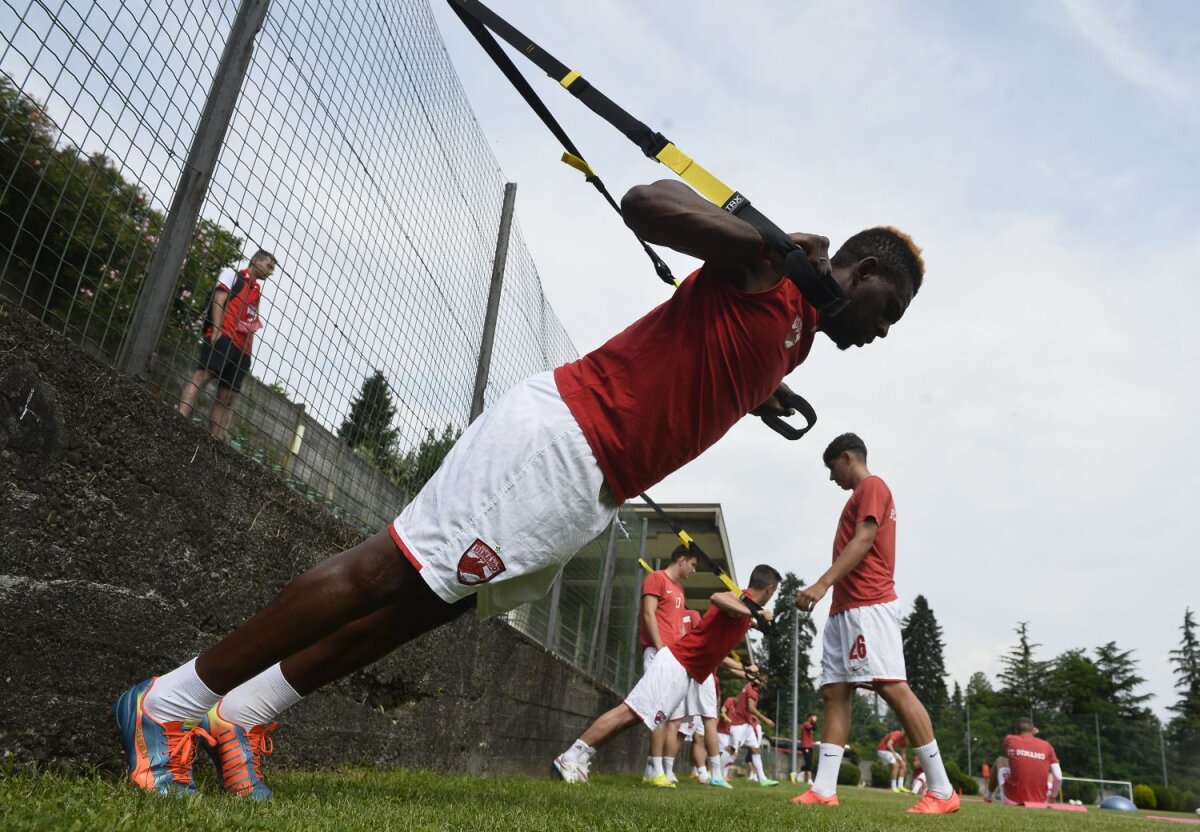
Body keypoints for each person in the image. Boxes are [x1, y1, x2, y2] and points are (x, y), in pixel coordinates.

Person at [112, 179, 924, 798]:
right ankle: (166, 700)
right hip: (561, 438)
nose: (881, 332)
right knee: (387, 570)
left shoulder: (797, 339)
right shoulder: (769, 266)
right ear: (864, 270)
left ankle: (241, 718)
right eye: (887, 310)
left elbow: (711, 358)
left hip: (589, 489)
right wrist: (763, 243)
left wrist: (761, 390)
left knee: (420, 608)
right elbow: (650, 201)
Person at [792, 433, 959, 814]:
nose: (831, 478)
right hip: (844, 609)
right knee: (835, 692)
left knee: (893, 689)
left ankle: (942, 789)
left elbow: (864, 539)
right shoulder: (857, 495)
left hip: (869, 604)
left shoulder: (872, 486)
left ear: (847, 458)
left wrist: (821, 583)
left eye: (832, 468)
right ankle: (822, 789)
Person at [552, 566, 781, 783]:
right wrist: (756, 612)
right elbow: (717, 598)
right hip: (675, 664)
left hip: (683, 673)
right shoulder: (739, 600)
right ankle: (570, 757)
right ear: (770, 588)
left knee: (632, 719)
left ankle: (582, 757)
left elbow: (719, 644)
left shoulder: (745, 615)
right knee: (628, 711)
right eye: (774, 591)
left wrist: (754, 626)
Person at [177, 250, 275, 441]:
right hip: (224, 335)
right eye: (269, 266)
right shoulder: (233, 275)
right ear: (255, 260)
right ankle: (180, 416)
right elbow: (219, 299)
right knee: (202, 376)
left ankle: (216, 439)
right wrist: (216, 329)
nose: (270, 272)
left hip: (242, 349)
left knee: (227, 396)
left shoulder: (256, 289)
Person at [637, 545, 698, 787]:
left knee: (669, 715)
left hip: (674, 657)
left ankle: (654, 770)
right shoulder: (656, 578)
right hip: (658, 653)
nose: (693, 570)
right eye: (692, 565)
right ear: (681, 560)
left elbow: (680, 628)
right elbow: (649, 614)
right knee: (657, 713)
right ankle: (655, 770)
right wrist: (661, 648)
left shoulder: (680, 590)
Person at [985, 718, 1062, 805]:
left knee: (1001, 760)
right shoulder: (1047, 745)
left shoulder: (1010, 739)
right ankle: (1049, 797)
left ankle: (988, 796)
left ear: (1016, 730)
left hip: (1012, 799)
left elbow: (1013, 756)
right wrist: (1053, 796)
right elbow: (1058, 776)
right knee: (1050, 769)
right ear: (1032, 730)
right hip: (1040, 802)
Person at [730, 675, 778, 786]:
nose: (765, 683)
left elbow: (738, 701)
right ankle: (717, 774)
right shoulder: (752, 690)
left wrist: (746, 714)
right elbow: (751, 707)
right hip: (739, 725)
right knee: (731, 750)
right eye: (764, 680)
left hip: (746, 724)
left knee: (756, 750)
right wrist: (766, 719)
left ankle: (763, 779)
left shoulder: (747, 686)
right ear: (757, 679)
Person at [878, 728, 909, 792]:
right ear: (903, 729)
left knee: (903, 765)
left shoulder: (905, 739)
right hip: (883, 750)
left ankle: (900, 786)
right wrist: (894, 755)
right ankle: (893, 787)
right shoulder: (897, 734)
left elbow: (903, 752)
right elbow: (889, 744)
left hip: (890, 751)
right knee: (895, 765)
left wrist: (904, 763)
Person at [798, 713, 817, 783]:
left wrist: (814, 722)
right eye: (813, 717)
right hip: (805, 746)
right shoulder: (806, 724)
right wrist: (814, 721)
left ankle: (797, 772)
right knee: (809, 763)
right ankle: (809, 779)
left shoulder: (810, 725)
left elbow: (815, 728)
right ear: (809, 718)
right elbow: (814, 728)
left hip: (810, 746)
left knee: (809, 763)